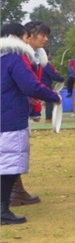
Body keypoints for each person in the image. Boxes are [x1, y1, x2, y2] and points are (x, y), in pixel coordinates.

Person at [1, 23, 60, 225]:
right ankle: (3, 211)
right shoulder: (16, 58)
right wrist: (53, 96)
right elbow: (29, 85)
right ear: (21, 37)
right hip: (9, 118)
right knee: (9, 165)